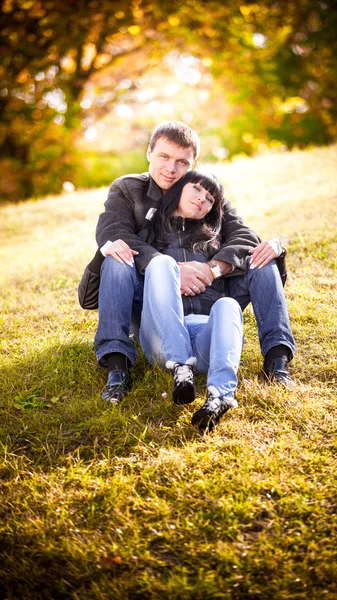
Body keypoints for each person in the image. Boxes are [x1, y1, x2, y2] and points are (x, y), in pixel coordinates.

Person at [78, 120, 295, 408]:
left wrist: (214, 268)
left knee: (262, 258)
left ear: (193, 165)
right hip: (152, 299)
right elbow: (113, 233)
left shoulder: (204, 194)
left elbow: (244, 235)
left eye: (182, 162)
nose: (171, 168)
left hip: (211, 296)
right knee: (117, 258)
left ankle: (277, 360)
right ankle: (117, 368)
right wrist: (168, 271)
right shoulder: (129, 189)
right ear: (149, 153)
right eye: (164, 157)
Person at [137, 170, 243, 431]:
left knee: (229, 305)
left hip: (207, 338)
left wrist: (213, 268)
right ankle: (180, 366)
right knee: (160, 262)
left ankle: (220, 396)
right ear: (179, 188)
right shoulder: (146, 233)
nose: (201, 199)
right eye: (196, 189)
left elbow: (247, 241)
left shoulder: (214, 243)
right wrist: (174, 270)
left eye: (209, 199)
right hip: (161, 337)